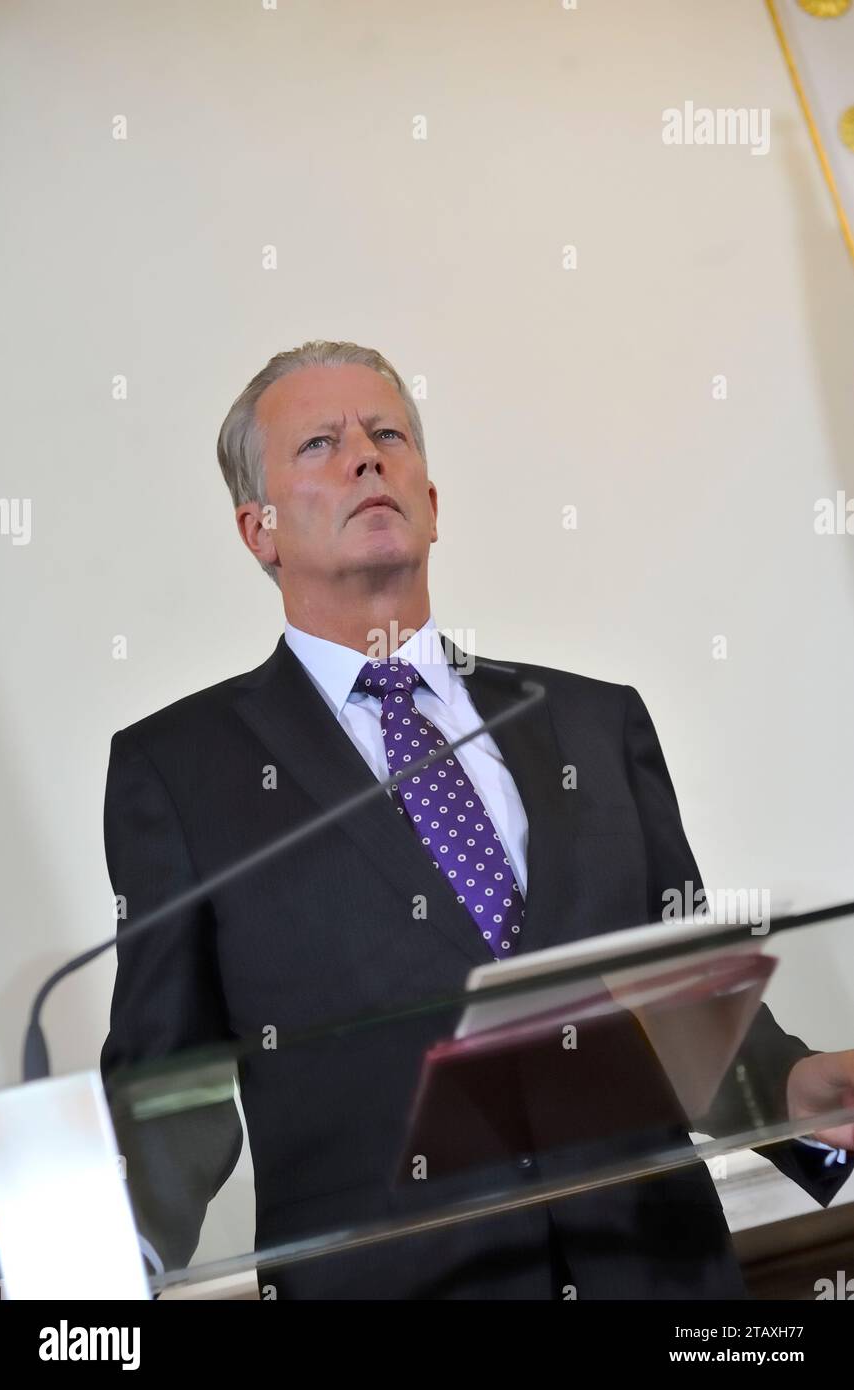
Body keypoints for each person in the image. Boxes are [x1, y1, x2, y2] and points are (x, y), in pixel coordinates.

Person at [100, 340, 854, 1299]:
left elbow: (681, 1006)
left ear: (433, 504)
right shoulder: (181, 770)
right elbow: (171, 1093)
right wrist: (86, 1255)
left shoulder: (592, 719)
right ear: (258, 530)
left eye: (388, 436)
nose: (366, 457)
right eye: (321, 445)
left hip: (659, 1285)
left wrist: (790, 1087)